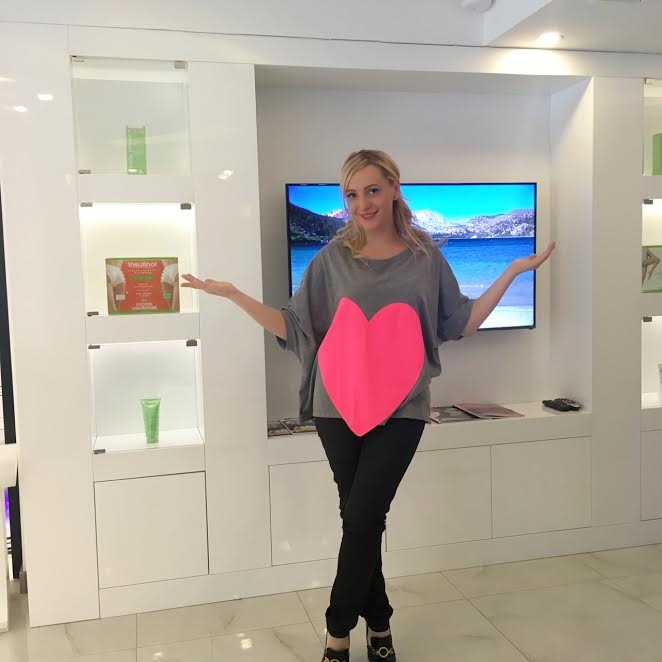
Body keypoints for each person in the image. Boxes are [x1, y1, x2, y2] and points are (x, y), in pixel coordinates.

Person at [182, 149, 555, 662]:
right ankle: (379, 626)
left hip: (404, 408)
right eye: (352, 194)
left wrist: (513, 270)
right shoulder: (331, 259)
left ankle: (337, 634)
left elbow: (461, 321)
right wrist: (234, 296)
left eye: (372, 190)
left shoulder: (426, 257)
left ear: (395, 188)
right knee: (361, 519)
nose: (363, 203)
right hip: (336, 406)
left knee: (362, 517)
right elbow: (294, 326)